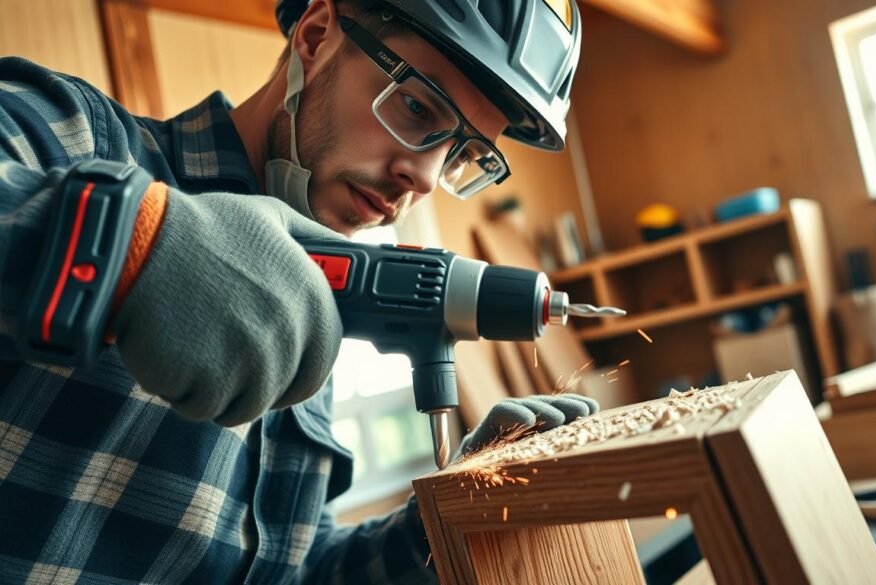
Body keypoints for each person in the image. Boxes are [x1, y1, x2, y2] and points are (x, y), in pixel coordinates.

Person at [0, 0, 594, 581]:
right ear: (315, 36)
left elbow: (292, 567)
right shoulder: (82, 139)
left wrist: (438, 529)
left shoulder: (324, 306)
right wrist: (138, 247)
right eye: (415, 106)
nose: (427, 177)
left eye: (463, 154)